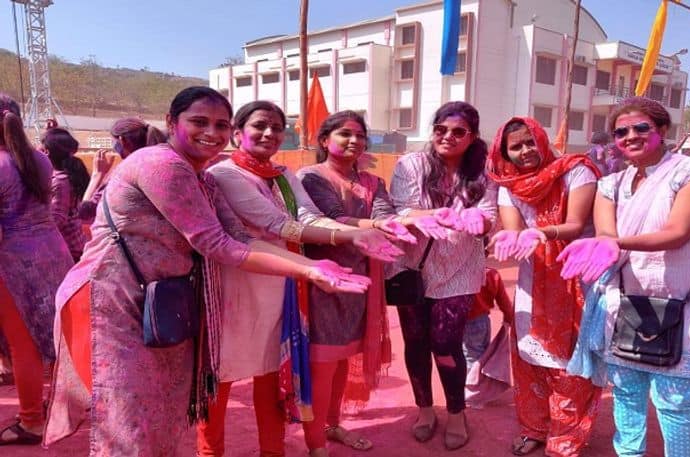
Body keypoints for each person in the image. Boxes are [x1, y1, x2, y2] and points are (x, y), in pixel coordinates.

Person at [43, 87, 372, 456]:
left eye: (219, 124)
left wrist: (312, 264)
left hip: (168, 299)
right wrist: (309, 270)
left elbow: (241, 236)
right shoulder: (164, 165)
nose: (211, 133)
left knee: (165, 410)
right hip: (117, 298)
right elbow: (222, 244)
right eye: (199, 122)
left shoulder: (208, 178)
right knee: (129, 416)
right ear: (171, 122)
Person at [199, 102, 403, 457]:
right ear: (237, 133)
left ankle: (273, 451)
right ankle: (209, 452)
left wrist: (356, 233)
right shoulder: (224, 175)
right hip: (235, 288)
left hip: (282, 287)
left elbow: (309, 216)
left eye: (277, 128)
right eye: (260, 126)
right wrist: (348, 236)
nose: (269, 134)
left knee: (271, 373)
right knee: (222, 378)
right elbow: (277, 224)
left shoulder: (283, 176)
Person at [559, 97, 690, 457]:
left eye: (641, 128)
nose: (630, 136)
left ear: (663, 130)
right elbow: (608, 240)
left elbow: (677, 232)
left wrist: (611, 242)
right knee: (627, 394)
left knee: (675, 402)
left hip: (686, 299)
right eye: (621, 132)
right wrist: (599, 247)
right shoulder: (612, 185)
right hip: (628, 301)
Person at [298, 110, 433, 456]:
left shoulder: (374, 183)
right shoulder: (310, 177)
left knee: (342, 358)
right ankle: (315, 446)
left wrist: (413, 221)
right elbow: (331, 219)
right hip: (323, 279)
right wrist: (379, 227)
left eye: (360, 135)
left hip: (361, 281)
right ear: (324, 140)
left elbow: (386, 215)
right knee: (323, 363)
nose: (354, 141)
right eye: (345, 134)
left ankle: (332, 425)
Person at [487, 117, 602, 456]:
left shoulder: (575, 170)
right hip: (531, 278)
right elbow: (514, 228)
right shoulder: (508, 184)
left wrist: (541, 233)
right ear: (505, 152)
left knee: (569, 362)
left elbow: (576, 224)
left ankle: (567, 437)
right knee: (529, 355)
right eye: (516, 146)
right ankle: (534, 427)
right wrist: (509, 238)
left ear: (542, 139)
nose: (525, 151)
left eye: (529, 142)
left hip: (575, 275)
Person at [388, 101, 498, 450]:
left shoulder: (484, 173)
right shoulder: (411, 164)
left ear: (472, 137)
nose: (447, 137)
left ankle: (455, 412)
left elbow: (488, 213)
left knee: (447, 343)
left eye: (458, 132)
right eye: (441, 130)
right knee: (416, 342)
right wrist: (447, 215)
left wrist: (478, 220)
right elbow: (402, 207)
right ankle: (424, 410)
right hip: (412, 266)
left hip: (460, 269)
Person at [0, 94, 74, 445]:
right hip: (52, 251)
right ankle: (68, 403)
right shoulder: (40, 161)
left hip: (13, 262)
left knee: (23, 344)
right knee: (57, 334)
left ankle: (30, 421)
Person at [78, 117, 167, 221]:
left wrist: (97, 175)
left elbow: (86, 213)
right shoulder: (158, 165)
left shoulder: (122, 173)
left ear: (122, 140)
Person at [43, 127, 90, 261]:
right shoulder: (63, 174)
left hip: (68, 248)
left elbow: (58, 218)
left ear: (47, 152)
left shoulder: (60, 182)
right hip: (72, 243)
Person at [463, 265, 512, 375]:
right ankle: (484, 383)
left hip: (468, 322)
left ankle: (474, 386)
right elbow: (504, 301)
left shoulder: (462, 273)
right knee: (484, 354)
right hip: (484, 321)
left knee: (471, 357)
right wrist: (508, 319)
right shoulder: (492, 274)